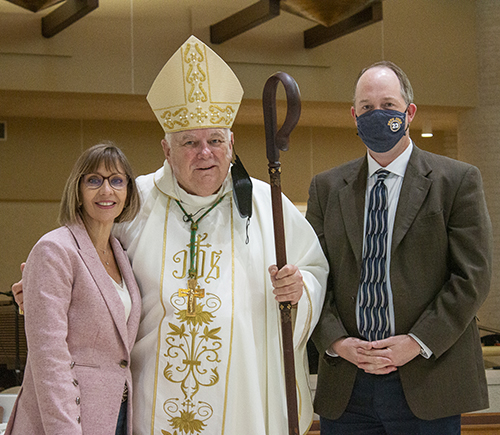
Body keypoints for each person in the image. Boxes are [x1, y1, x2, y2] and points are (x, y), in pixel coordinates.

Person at [12, 35, 329, 434]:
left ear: (231, 144)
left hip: (244, 405)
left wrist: (301, 290)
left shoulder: (270, 207)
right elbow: (86, 264)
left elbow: (316, 271)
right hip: (149, 399)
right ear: (166, 148)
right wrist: (46, 290)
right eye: (190, 143)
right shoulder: (134, 203)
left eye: (215, 140)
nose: (205, 152)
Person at [306, 60, 493, 434]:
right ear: (354, 116)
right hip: (348, 386)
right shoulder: (326, 188)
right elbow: (314, 274)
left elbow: (472, 277)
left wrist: (416, 341)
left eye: (388, 106)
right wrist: (336, 341)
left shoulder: (455, 181)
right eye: (366, 107)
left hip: (427, 378)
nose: (378, 115)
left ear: (409, 112)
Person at [6, 144, 142, 435]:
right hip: (68, 417)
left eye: (117, 180)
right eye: (94, 180)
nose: (107, 190)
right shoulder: (55, 249)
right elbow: (49, 356)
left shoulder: (120, 252)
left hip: (115, 413)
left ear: (128, 191)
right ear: (78, 190)